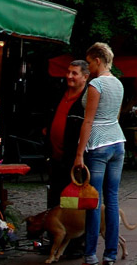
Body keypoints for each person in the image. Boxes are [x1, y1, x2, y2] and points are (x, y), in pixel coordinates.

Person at [74, 43, 126, 265]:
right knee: (112, 201)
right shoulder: (118, 83)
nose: (88, 66)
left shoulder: (97, 84)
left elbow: (89, 120)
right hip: (117, 141)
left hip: (98, 144)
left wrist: (78, 154)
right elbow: (115, 115)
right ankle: (111, 254)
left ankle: (91, 254)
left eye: (89, 62)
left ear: (97, 60)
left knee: (93, 201)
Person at [47, 60, 89, 208]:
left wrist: (79, 155)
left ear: (85, 77)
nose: (69, 76)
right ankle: (55, 227)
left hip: (72, 157)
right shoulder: (60, 93)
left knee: (71, 197)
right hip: (55, 155)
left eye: (74, 73)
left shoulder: (86, 99)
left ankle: (71, 228)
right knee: (55, 195)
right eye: (68, 72)